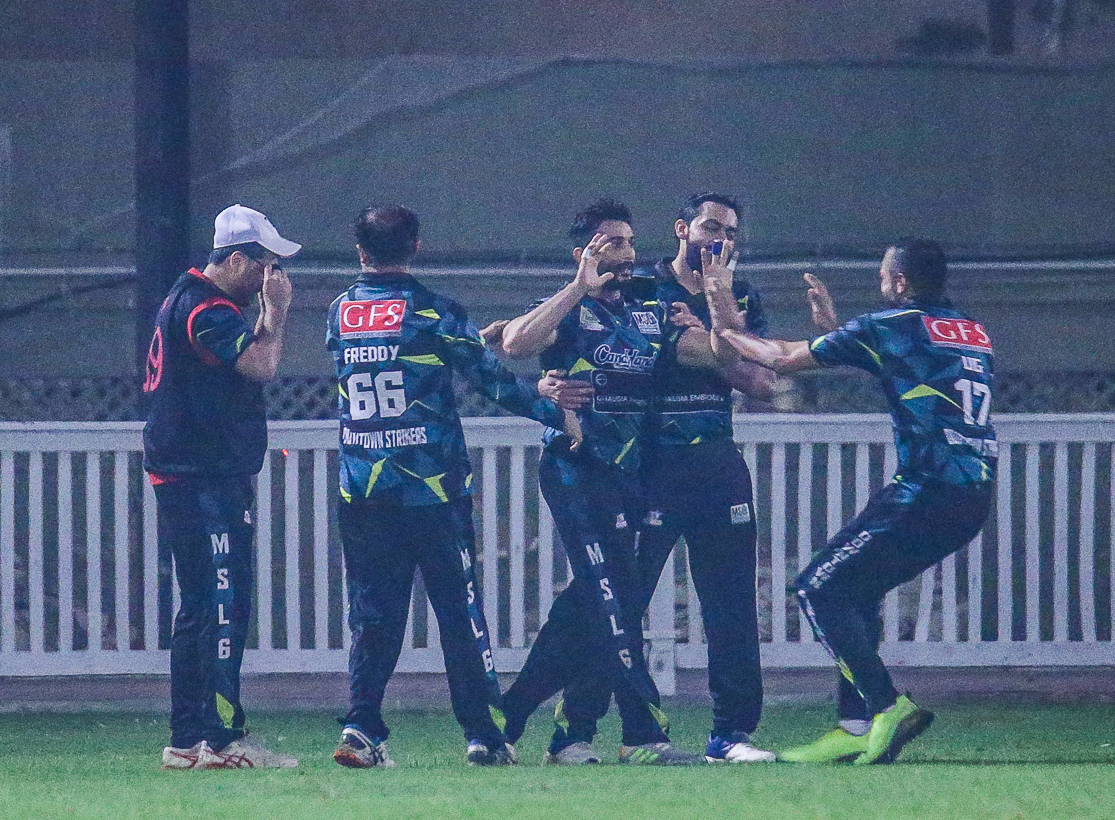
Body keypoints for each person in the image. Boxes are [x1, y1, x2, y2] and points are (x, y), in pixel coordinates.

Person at [708, 238, 997, 765]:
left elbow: (781, 359)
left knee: (816, 589)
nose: (880, 282)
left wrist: (723, 325)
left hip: (925, 492)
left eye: (884, 275)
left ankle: (887, 706)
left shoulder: (889, 325)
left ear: (900, 282)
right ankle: (857, 725)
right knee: (857, 589)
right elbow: (910, 364)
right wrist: (835, 331)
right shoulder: (971, 331)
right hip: (971, 496)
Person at [325, 205, 591, 769]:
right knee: (458, 611)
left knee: (373, 615)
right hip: (432, 491)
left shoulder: (340, 311)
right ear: (416, 246)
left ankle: (361, 727)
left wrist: (469, 341)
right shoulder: (435, 310)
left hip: (363, 489)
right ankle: (484, 735)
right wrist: (554, 411)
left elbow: (395, 357)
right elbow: (492, 383)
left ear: (360, 251)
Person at [496, 199, 733, 766]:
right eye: (611, 243)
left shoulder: (651, 306)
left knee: (593, 602)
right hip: (576, 469)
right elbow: (515, 343)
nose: (626, 253)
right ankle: (644, 733)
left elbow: (712, 354)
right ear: (584, 252)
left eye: (629, 241)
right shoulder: (569, 305)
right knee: (613, 601)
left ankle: (508, 716)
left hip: (633, 475)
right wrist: (577, 288)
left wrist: (721, 315)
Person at [556, 192, 779, 763]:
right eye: (710, 227)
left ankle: (731, 735)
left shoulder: (740, 295)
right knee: (620, 603)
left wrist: (713, 331)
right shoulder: (642, 290)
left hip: (718, 465)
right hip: (649, 469)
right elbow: (587, 341)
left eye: (730, 232)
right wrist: (546, 384)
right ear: (682, 229)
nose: (720, 239)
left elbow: (762, 382)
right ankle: (576, 729)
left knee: (731, 606)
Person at [144, 204, 301, 770]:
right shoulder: (206, 309)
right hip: (202, 478)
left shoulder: (187, 298)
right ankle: (219, 740)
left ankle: (187, 740)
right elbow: (260, 366)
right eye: (264, 265)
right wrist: (276, 314)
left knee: (200, 607)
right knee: (221, 605)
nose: (270, 277)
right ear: (235, 259)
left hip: (190, 474)